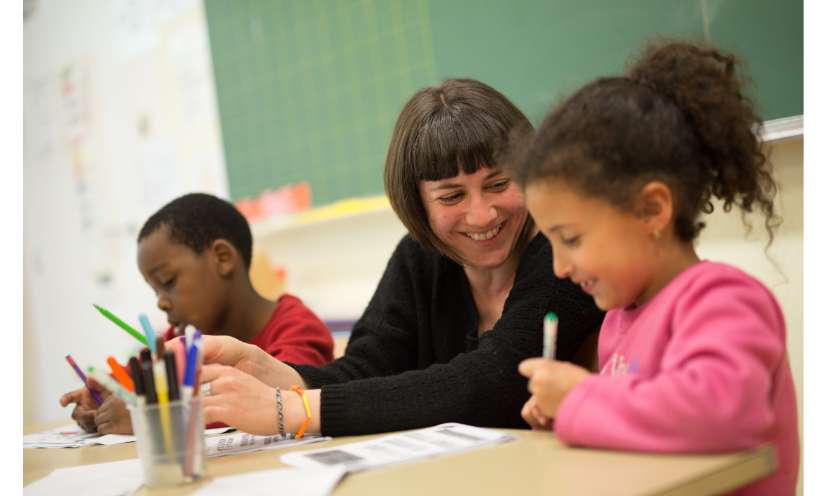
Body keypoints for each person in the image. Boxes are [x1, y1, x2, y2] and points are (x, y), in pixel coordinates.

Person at [188, 78, 604, 437]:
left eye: (498, 184)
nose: (482, 215)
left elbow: (494, 381)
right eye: (452, 196)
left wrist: (293, 410)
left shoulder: (564, 253)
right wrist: (273, 373)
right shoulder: (420, 257)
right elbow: (368, 369)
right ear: (417, 204)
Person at [512, 41, 799, 495]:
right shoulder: (618, 319)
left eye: (571, 239)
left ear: (651, 210)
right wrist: (570, 419)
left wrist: (581, 398)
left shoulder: (724, 300)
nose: (560, 267)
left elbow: (719, 414)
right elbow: (651, 431)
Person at [59, 193, 335, 434]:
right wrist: (104, 397)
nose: (161, 303)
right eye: (155, 291)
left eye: (168, 281)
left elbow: (275, 402)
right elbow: (133, 383)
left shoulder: (297, 327)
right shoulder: (180, 340)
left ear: (223, 258)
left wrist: (151, 416)